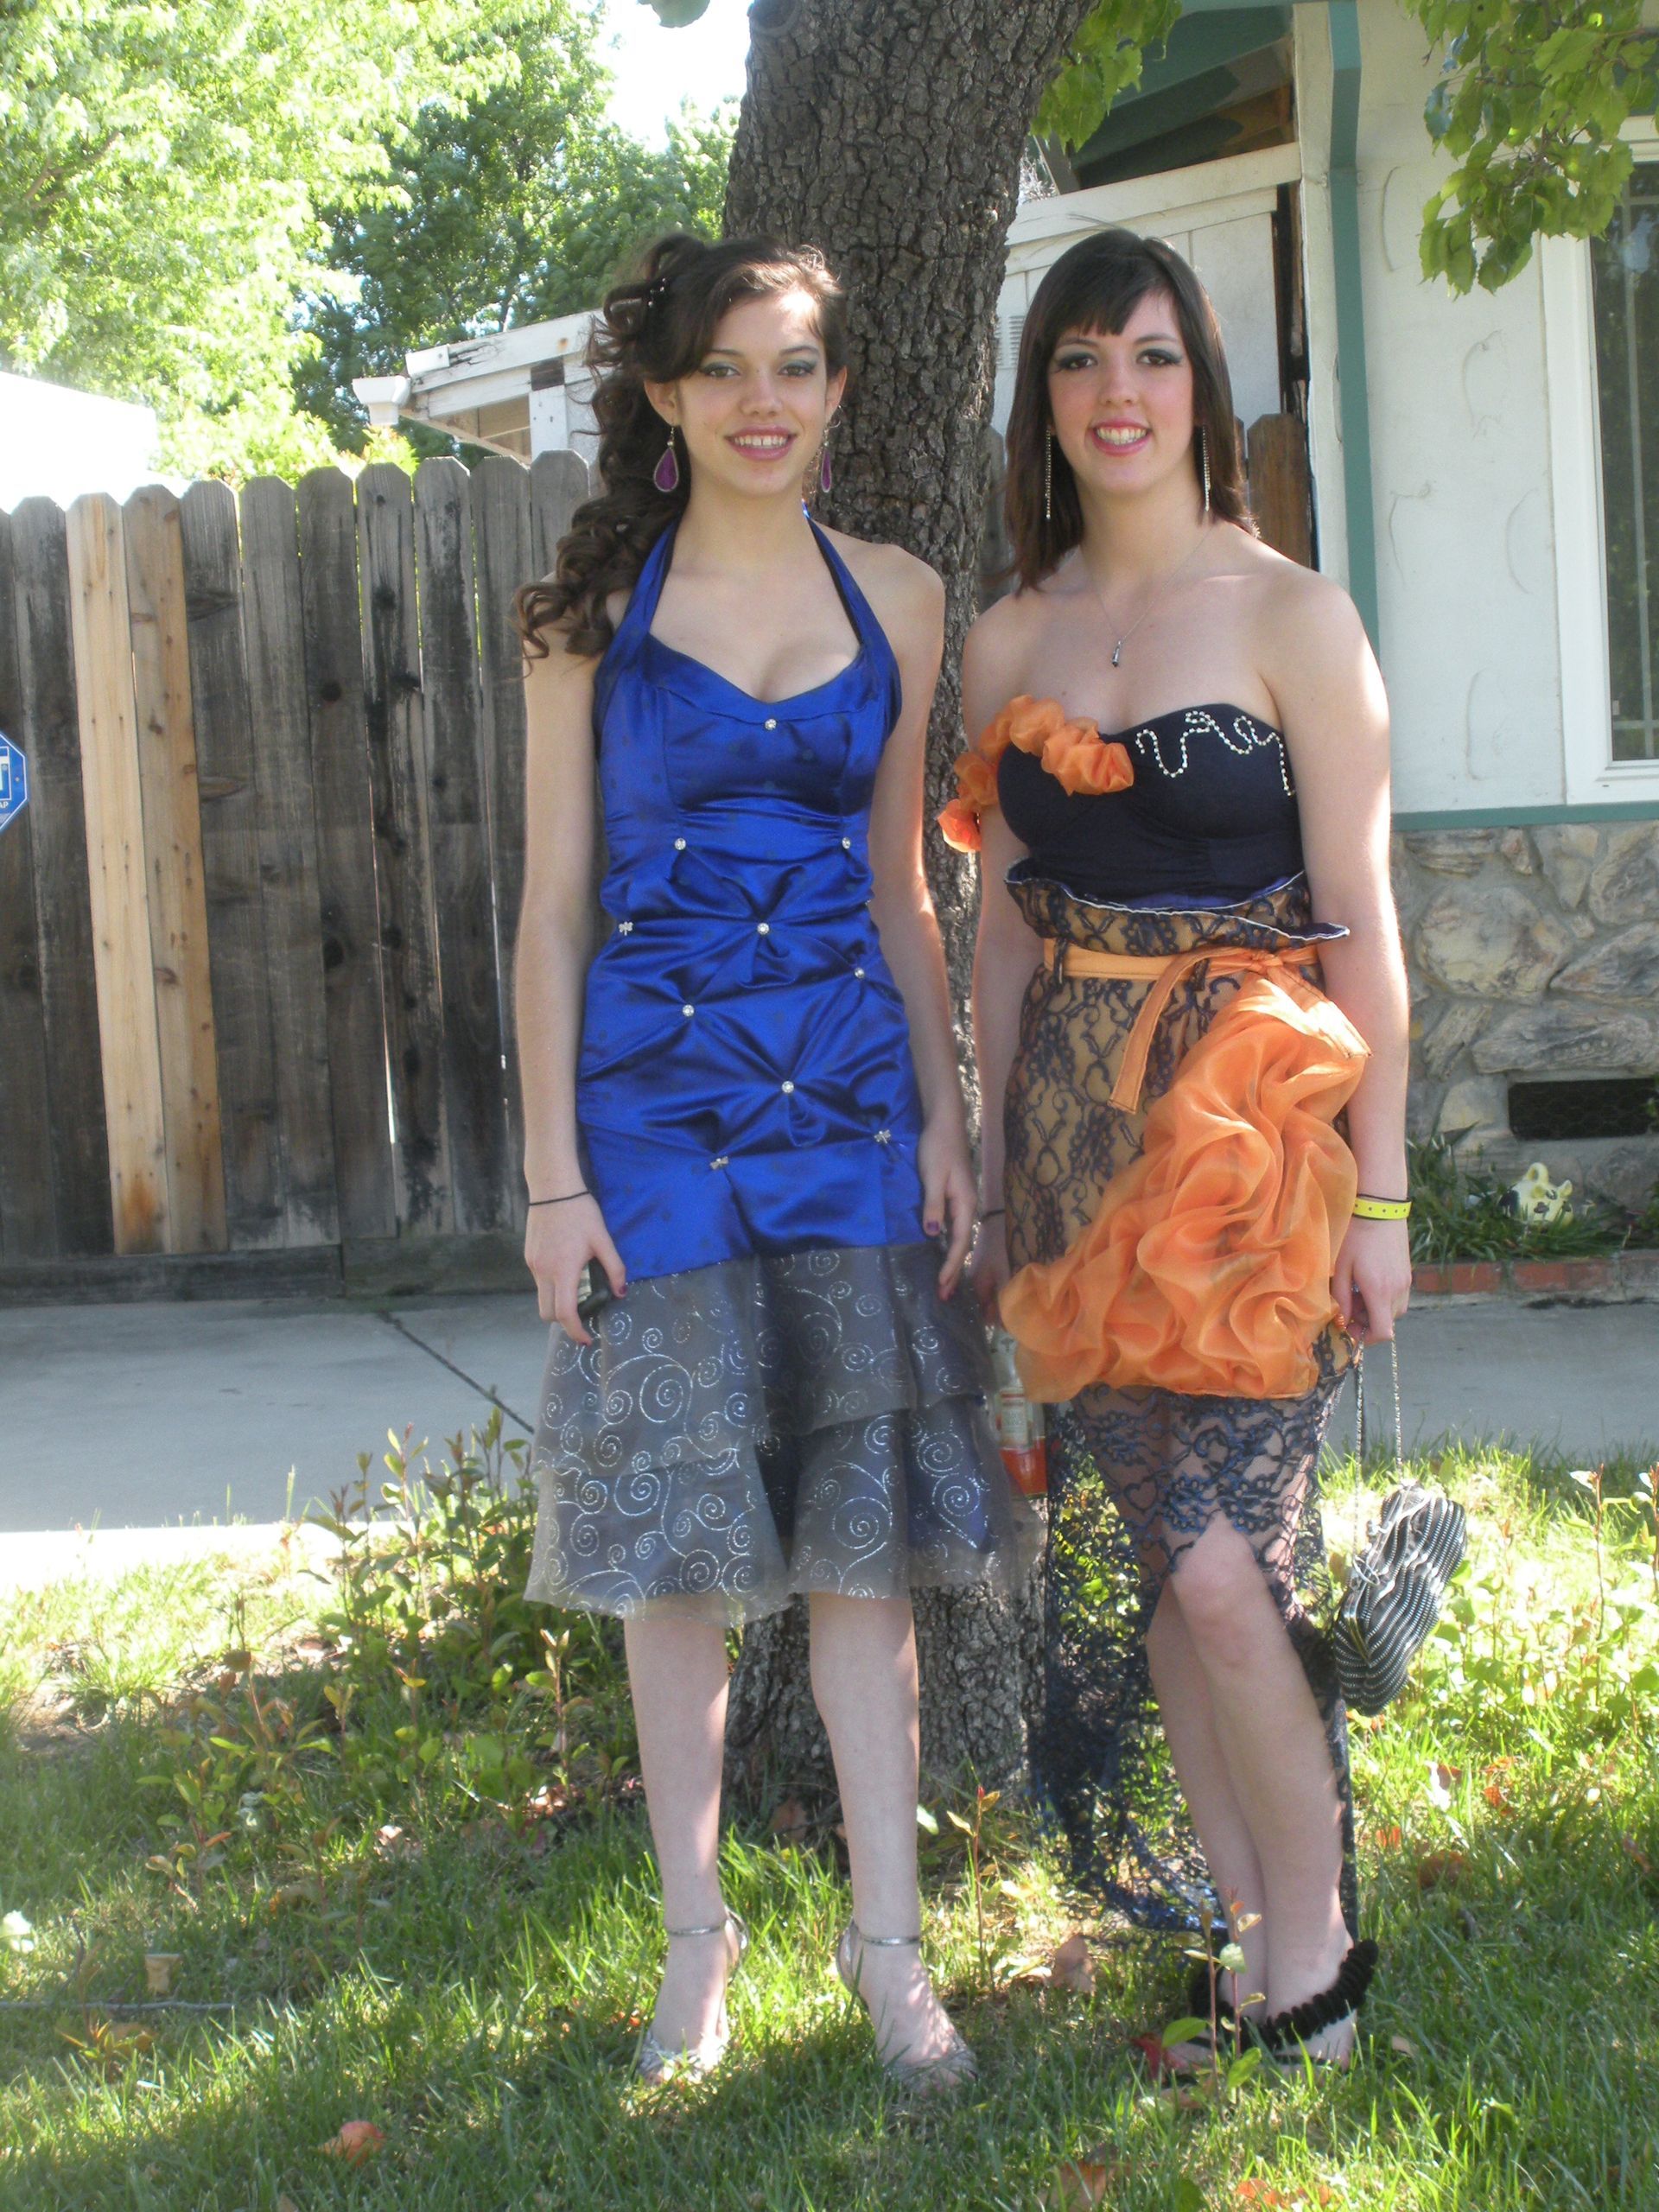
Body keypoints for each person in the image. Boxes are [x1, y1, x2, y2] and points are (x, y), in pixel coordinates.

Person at [513, 233, 1027, 2092]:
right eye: (723, 367)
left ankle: (892, 1954)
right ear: (666, 394)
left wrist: (951, 1116)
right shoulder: (587, 616)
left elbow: (905, 888)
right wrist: (552, 1175)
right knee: (676, 1558)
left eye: (794, 366)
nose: (762, 401)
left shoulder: (900, 593)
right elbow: (551, 908)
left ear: (837, 390)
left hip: (852, 1115)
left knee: (861, 1556)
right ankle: (695, 1946)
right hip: (654, 1127)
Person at [956, 228, 1411, 2068]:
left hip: (1254, 1135)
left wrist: (1386, 1194)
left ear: (1201, 385)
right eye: (1079, 359)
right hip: (1074, 1139)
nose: (1116, 393)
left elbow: (1366, 919)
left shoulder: (1297, 616)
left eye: (1150, 355)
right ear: (1043, 397)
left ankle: (1321, 1964)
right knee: (1167, 1565)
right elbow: (1001, 933)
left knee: (1226, 1572)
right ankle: (1252, 1939)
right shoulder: (1009, 637)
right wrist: (997, 1177)